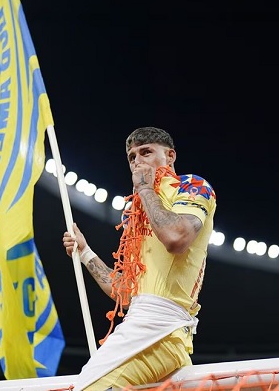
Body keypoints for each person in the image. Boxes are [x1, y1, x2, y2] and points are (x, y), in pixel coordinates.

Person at [62, 126, 217, 390]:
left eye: (146, 152)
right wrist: (85, 252)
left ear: (170, 156)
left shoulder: (191, 186)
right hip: (146, 328)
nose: (137, 161)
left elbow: (176, 239)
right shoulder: (137, 211)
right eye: (132, 156)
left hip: (161, 331)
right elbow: (126, 294)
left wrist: (145, 189)